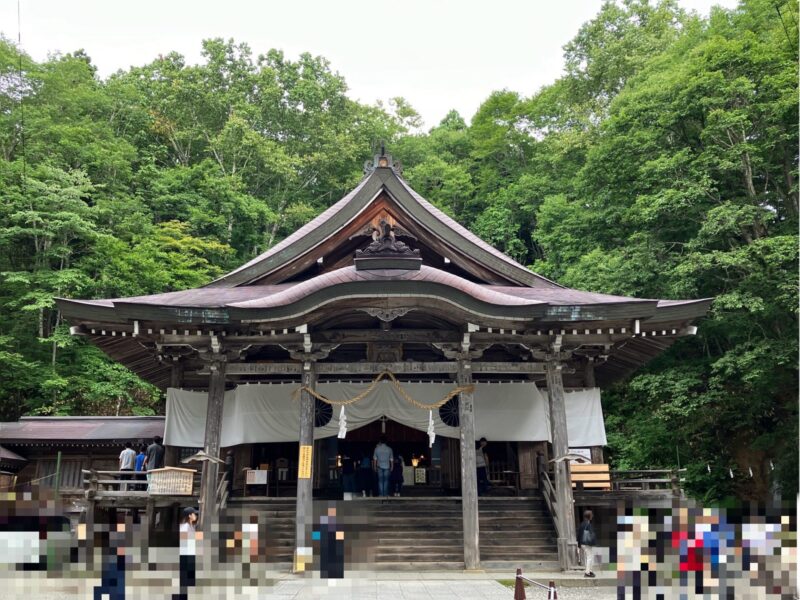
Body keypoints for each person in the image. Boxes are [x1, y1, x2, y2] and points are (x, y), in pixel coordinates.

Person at [174, 507, 200, 600]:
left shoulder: (191, 526)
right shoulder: (185, 527)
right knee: (185, 581)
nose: (196, 516)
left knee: (190, 580)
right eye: (194, 514)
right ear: (189, 515)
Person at [577, 509, 597, 578]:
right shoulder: (588, 524)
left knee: (588, 557)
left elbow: (579, 534)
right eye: (591, 515)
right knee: (589, 557)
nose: (592, 516)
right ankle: (587, 572)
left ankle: (590, 571)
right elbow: (591, 535)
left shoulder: (582, 524)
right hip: (587, 543)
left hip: (582, 543)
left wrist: (579, 545)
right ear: (589, 516)